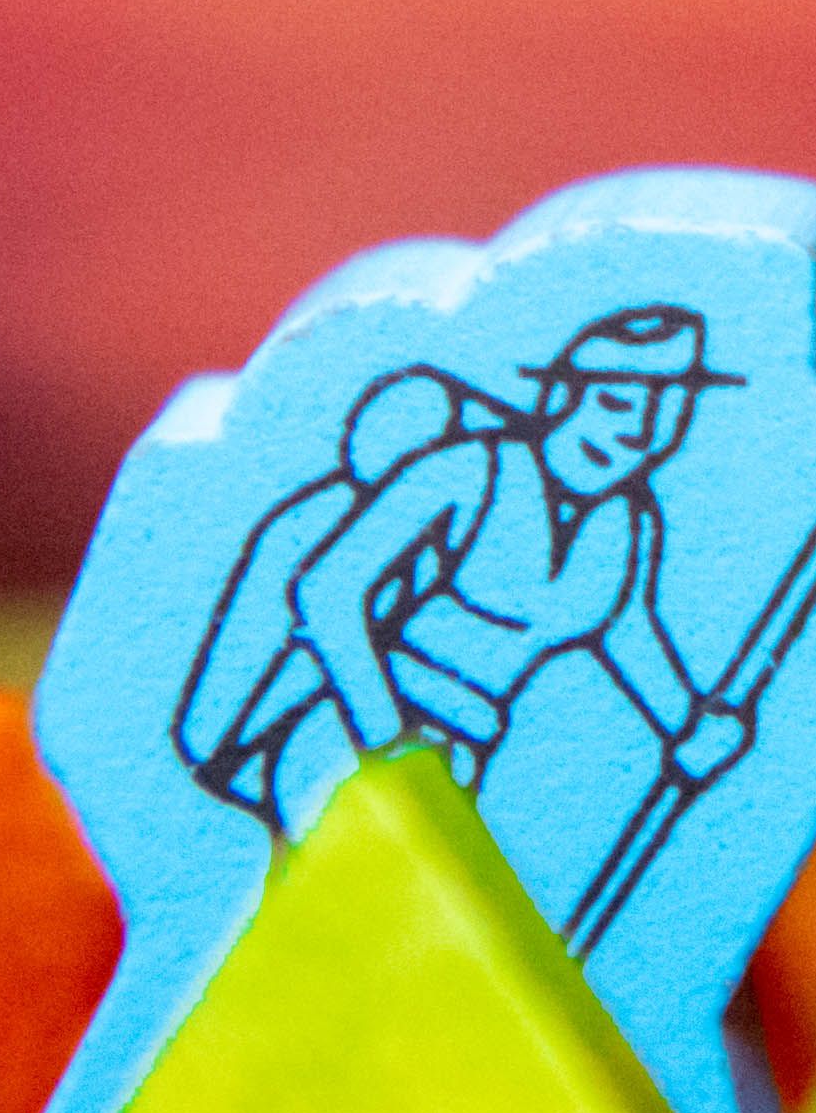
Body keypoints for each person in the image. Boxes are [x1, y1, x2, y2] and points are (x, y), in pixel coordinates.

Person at [177, 304, 758, 848]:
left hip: (464, 751)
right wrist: (386, 737)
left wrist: (687, 725)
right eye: (614, 403)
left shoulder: (629, 524)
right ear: (565, 396)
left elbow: (629, 631)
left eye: (666, 411)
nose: (635, 434)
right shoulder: (471, 471)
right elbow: (327, 589)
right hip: (350, 735)